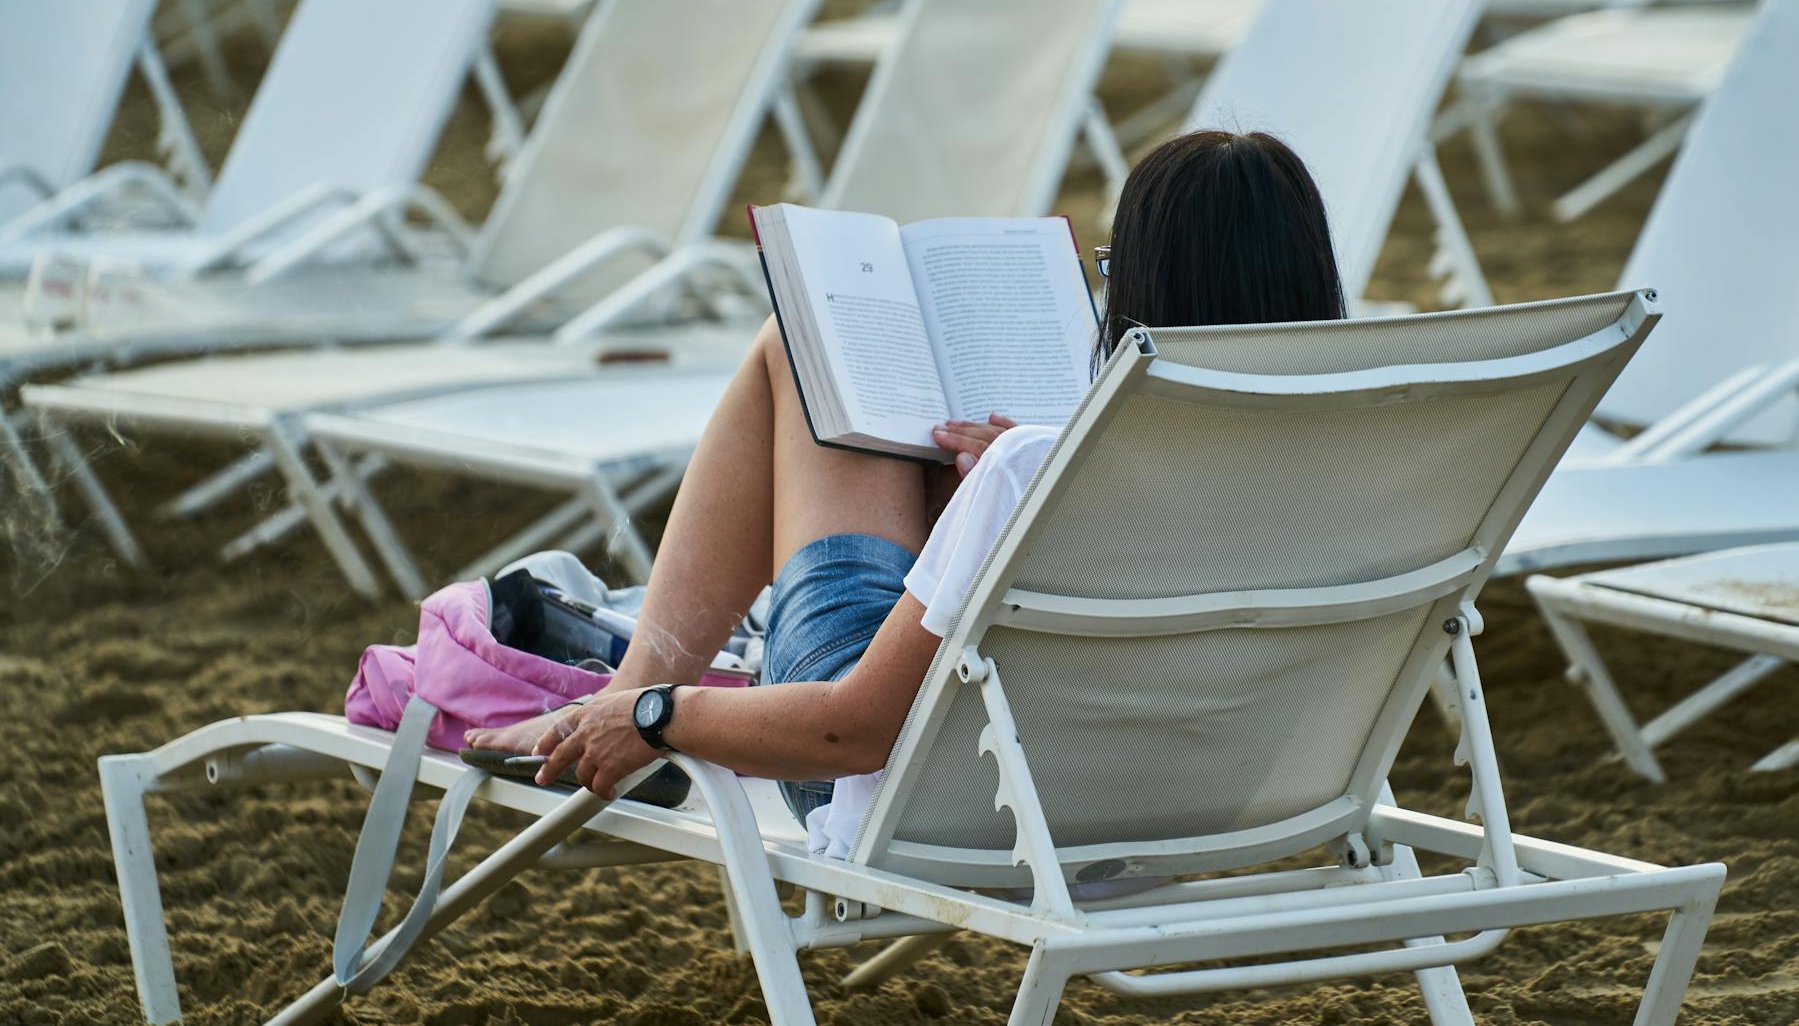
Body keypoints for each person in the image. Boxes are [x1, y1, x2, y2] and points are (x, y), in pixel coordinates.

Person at [464, 129, 1347, 855]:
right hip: (1190, 805)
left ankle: (616, 700)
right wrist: (1033, 478)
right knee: (937, 461)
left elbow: (851, 735)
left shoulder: (1039, 468)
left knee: (802, 355)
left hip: (934, 802)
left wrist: (658, 717)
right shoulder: (1363, 474)